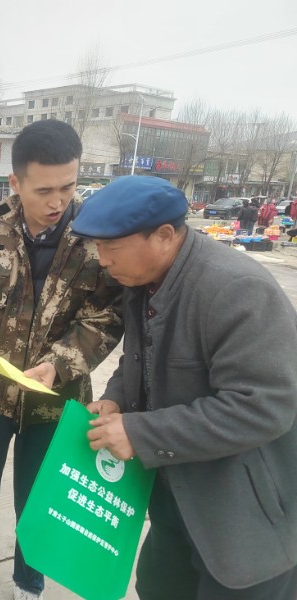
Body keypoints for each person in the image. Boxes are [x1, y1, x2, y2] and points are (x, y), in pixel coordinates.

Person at [71, 175, 297, 600]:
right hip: (175, 501)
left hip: (243, 520)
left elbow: (263, 406)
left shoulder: (236, 290)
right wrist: (116, 398)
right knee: (158, 586)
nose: (102, 260)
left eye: (110, 246)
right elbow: (139, 357)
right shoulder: (144, 282)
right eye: (97, 246)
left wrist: (140, 433)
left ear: (164, 236)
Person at [0, 120, 124, 600]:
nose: (57, 202)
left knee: (40, 497)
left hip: (55, 400)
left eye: (68, 187)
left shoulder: (96, 237)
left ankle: (29, 583)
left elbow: (107, 317)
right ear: (15, 182)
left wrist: (60, 363)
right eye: (44, 190)